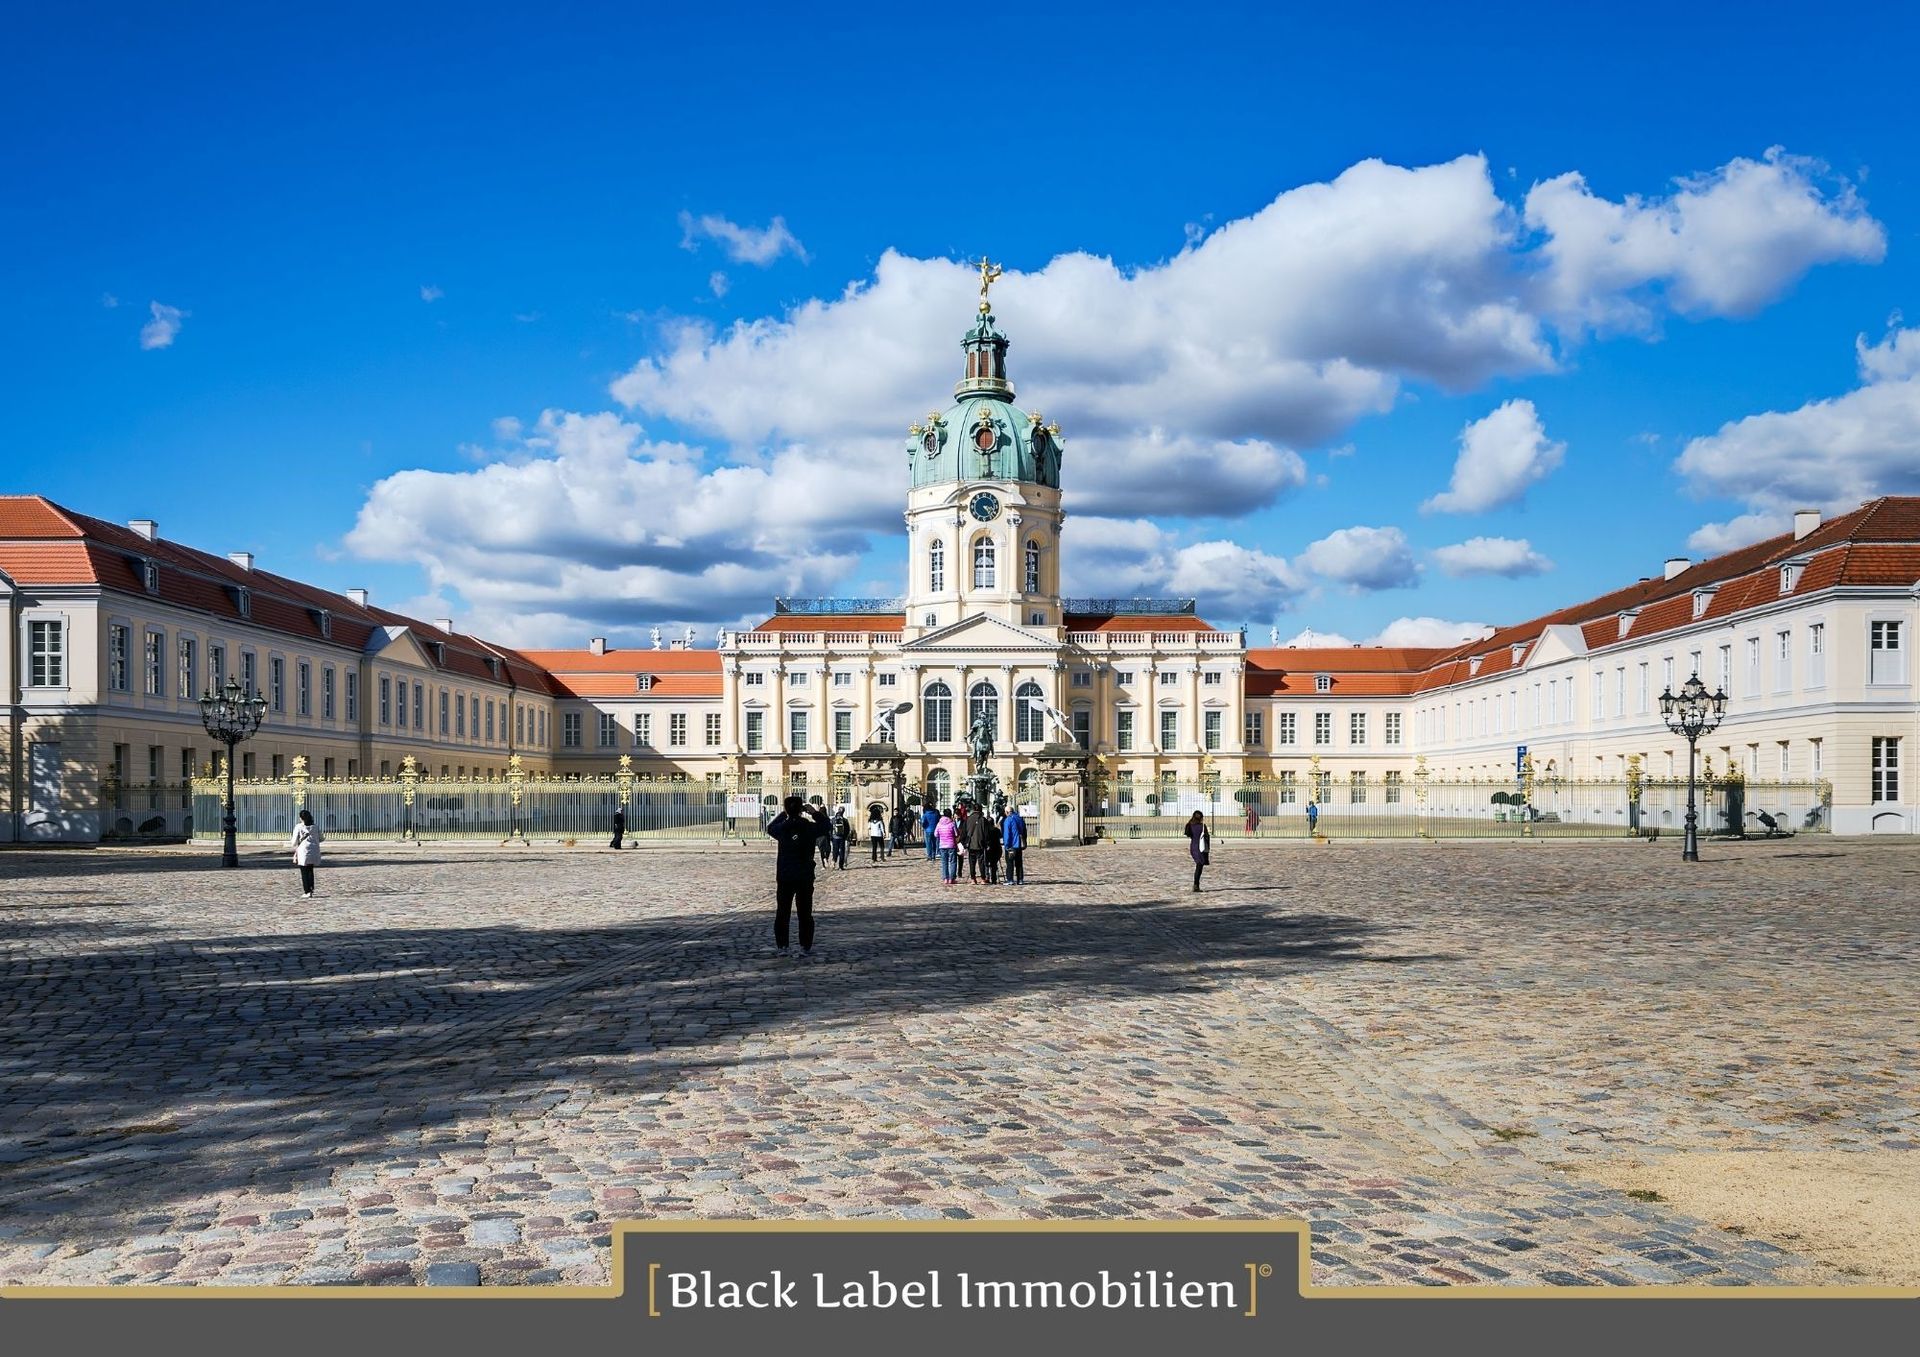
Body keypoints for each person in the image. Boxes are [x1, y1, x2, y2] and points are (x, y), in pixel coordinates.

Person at [765, 796, 829, 956]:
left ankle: (782, 946)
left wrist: (784, 814)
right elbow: (826, 826)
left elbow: (769, 827)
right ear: (802, 810)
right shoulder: (808, 827)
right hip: (804, 875)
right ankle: (804, 946)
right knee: (805, 913)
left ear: (787, 809)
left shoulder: (782, 828)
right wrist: (814, 812)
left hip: (785, 875)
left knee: (782, 913)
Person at [291, 808, 323, 899]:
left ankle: (307, 891)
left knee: (304, 871)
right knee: (310, 870)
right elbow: (321, 838)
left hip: (303, 851)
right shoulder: (315, 827)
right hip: (314, 850)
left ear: (301, 818)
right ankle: (311, 888)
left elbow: (294, 841)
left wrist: (296, 844)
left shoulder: (299, 827)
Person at [964, 804, 993, 884]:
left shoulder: (968, 819)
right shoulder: (983, 820)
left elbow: (964, 832)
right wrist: (987, 843)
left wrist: (964, 843)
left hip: (971, 844)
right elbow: (986, 833)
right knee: (981, 862)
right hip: (980, 843)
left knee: (972, 862)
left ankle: (973, 878)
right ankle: (983, 878)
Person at [1001, 803, 1027, 885]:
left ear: (1007, 812)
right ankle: (1020, 879)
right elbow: (1024, 831)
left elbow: (1007, 834)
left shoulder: (1008, 820)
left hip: (1012, 844)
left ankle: (1010, 880)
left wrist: (1006, 845)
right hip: (1019, 844)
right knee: (1019, 863)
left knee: (1010, 863)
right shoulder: (1019, 818)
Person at [1184, 810, 1210, 892]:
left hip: (1193, 847)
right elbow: (1206, 837)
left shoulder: (1189, 825)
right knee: (1199, 866)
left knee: (1199, 865)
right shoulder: (1202, 826)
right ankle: (1196, 885)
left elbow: (1188, 834)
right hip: (1200, 848)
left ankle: (1196, 884)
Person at [935, 808, 960, 885]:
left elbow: (935, 834)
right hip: (951, 845)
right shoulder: (952, 823)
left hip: (942, 845)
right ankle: (952, 878)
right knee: (953, 862)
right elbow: (956, 834)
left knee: (944, 862)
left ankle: (945, 878)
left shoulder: (939, 824)